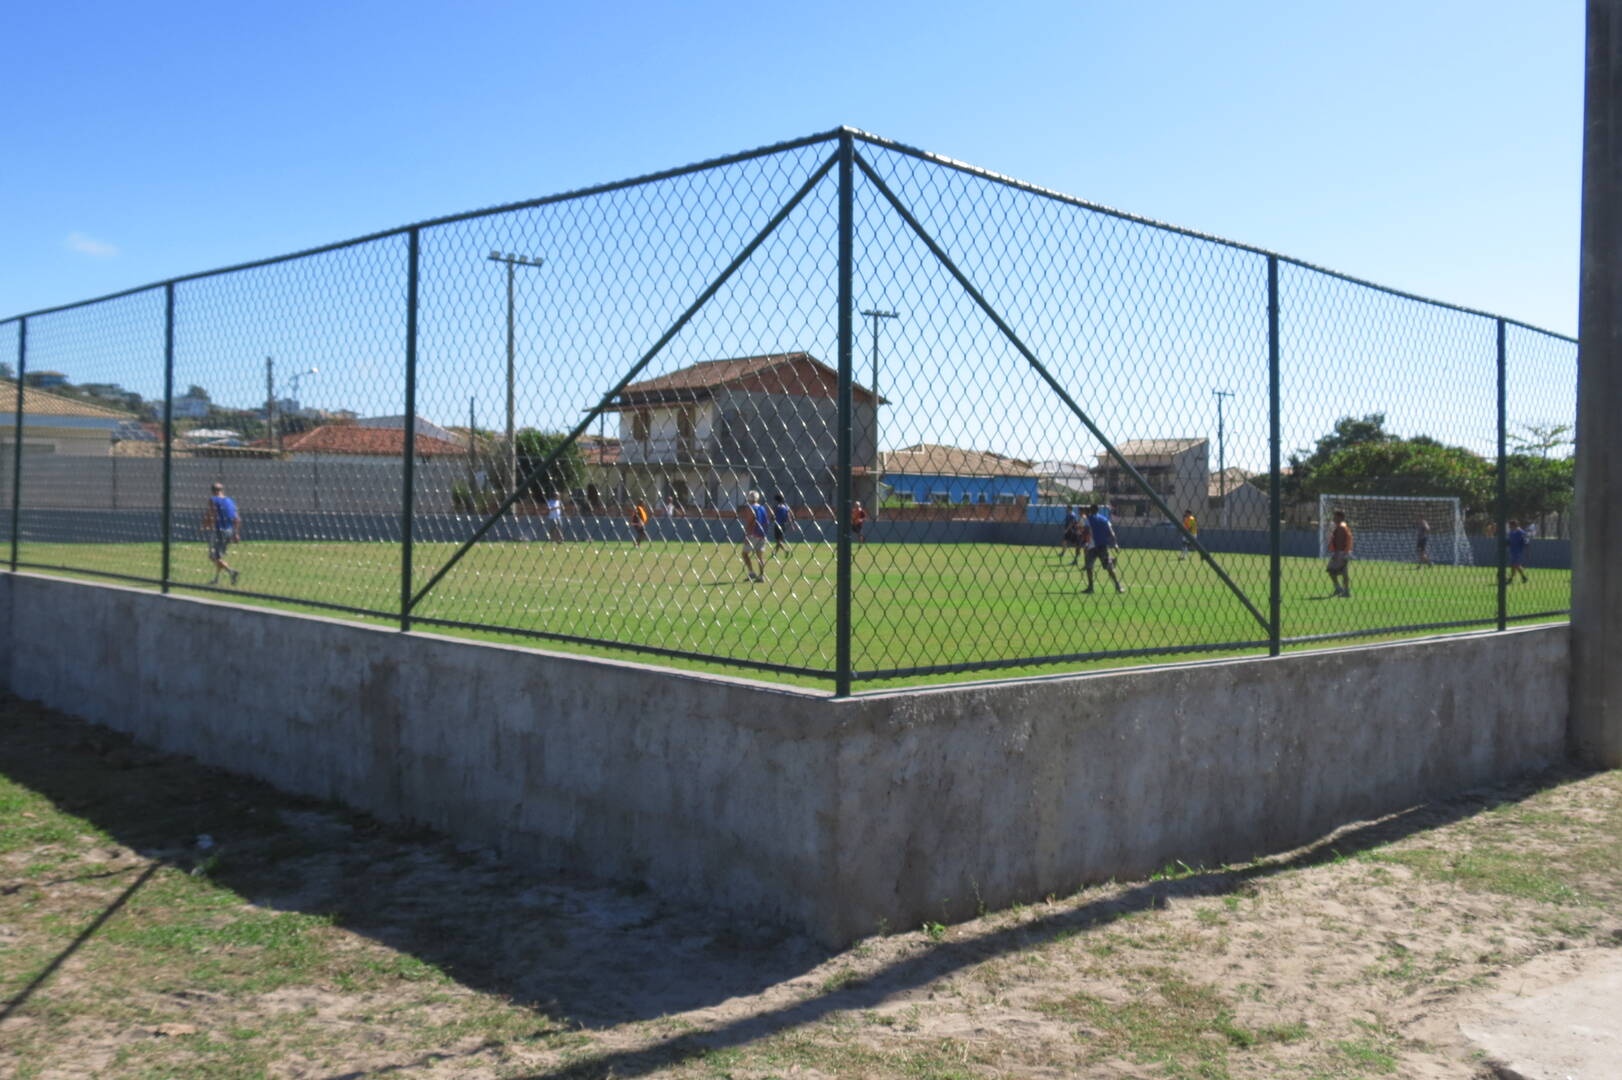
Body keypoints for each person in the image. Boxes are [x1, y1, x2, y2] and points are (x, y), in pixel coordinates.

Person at [201, 481, 241, 586]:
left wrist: (204, 526)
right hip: (229, 530)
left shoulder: (213, 500)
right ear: (222, 490)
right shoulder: (230, 501)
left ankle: (232, 571)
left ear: (212, 491)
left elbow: (211, 514)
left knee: (213, 556)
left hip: (218, 530)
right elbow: (237, 518)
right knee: (218, 556)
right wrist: (236, 533)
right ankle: (216, 579)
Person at [1082, 503, 1124, 594]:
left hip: (1092, 547)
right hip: (1103, 546)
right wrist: (1115, 544)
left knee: (1089, 567)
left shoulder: (1088, 519)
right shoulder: (1105, 519)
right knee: (1109, 568)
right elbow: (1111, 533)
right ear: (1098, 510)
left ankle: (1090, 587)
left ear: (1090, 510)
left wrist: (1085, 543)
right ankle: (1118, 586)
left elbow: (1086, 532)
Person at [740, 490, 769, 582]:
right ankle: (761, 576)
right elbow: (766, 520)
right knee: (760, 556)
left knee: (744, 554)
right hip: (762, 534)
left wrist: (747, 534)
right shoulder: (762, 508)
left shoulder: (750, 508)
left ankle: (751, 572)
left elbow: (750, 521)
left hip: (753, 534)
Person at [1327, 508, 1353, 597]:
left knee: (1331, 570)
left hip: (1340, 553)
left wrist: (1338, 554)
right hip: (1344, 553)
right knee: (1342, 572)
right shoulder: (1342, 526)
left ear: (1339, 517)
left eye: (1335, 516)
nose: (1333, 518)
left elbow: (1340, 542)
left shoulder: (1341, 527)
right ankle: (1344, 590)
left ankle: (1341, 589)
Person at [1506, 518, 1530, 583]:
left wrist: (1527, 552)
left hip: (1518, 551)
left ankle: (1511, 578)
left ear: (1514, 525)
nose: (1509, 527)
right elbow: (1510, 541)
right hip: (1512, 550)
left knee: (1515, 564)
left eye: (1510, 525)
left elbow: (1526, 542)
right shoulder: (1511, 532)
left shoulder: (1521, 532)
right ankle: (1523, 577)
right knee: (1514, 565)